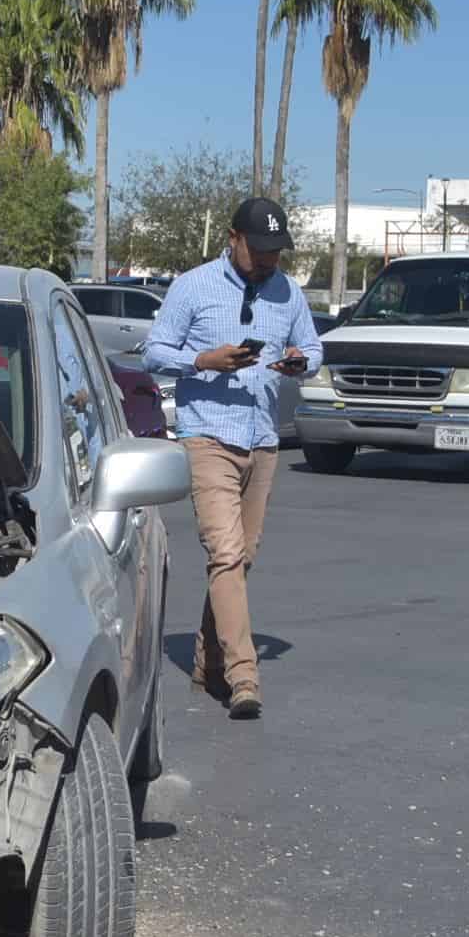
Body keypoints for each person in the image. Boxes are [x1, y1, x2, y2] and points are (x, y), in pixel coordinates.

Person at [139, 196, 320, 721]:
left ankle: (207, 661)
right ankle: (244, 678)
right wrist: (203, 361)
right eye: (260, 250)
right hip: (207, 437)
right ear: (233, 238)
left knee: (240, 560)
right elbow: (153, 352)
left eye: (276, 252)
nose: (269, 261)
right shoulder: (193, 285)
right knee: (225, 554)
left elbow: (312, 347)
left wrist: (299, 361)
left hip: (263, 439)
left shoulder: (287, 291)